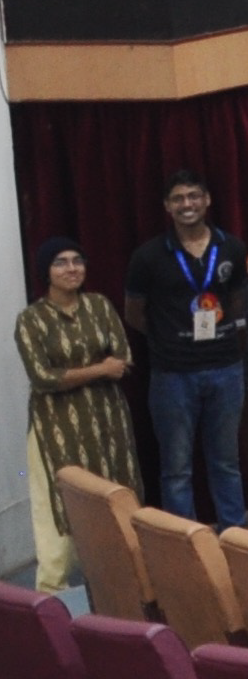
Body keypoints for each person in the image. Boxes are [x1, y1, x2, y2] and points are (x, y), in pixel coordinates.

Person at [20, 240, 142, 586]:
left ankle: (127, 586)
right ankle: (53, 595)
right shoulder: (32, 319)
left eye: (77, 261)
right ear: (46, 272)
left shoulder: (100, 306)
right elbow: (43, 377)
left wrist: (91, 371)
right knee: (57, 506)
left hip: (108, 420)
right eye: (60, 263)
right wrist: (99, 370)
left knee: (118, 495)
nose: (71, 269)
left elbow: (123, 358)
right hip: (55, 428)